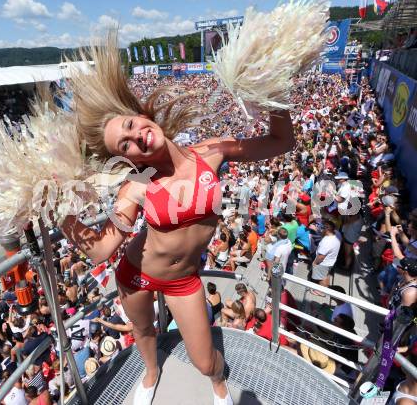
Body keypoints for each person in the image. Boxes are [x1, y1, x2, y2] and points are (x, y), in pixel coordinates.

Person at [59, 33, 295, 405]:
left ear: (142, 115)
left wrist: (271, 86)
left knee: (204, 361)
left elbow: (281, 142)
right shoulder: (137, 185)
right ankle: (151, 373)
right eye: (125, 146)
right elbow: (103, 249)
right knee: (142, 330)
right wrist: (57, 212)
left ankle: (218, 382)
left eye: (131, 126)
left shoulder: (212, 153)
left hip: (184, 280)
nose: (136, 138)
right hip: (135, 273)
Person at [310, 220, 341, 296]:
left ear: (326, 230)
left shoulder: (326, 242)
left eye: (322, 228)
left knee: (321, 278)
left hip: (323, 263)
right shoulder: (337, 233)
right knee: (326, 275)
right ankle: (326, 287)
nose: (320, 230)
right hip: (331, 260)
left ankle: (320, 292)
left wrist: (315, 262)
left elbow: (321, 257)